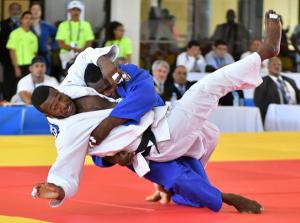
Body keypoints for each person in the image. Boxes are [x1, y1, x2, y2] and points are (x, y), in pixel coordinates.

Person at [30, 10, 281, 213]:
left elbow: (91, 59)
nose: (63, 104)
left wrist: (105, 64)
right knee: (205, 88)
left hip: (165, 120)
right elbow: (67, 166)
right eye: (56, 108)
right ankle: (264, 52)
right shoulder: (66, 134)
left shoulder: (92, 80)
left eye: (60, 98)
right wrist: (58, 187)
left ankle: (172, 191)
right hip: (163, 138)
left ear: (60, 90)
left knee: (210, 136)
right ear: (48, 115)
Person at [254, 57, 300, 121]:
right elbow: (259, 103)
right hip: (275, 117)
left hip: (294, 114)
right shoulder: (262, 82)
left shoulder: (290, 81)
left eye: (279, 64)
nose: (277, 66)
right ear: (268, 67)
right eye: (274, 64)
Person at [56, 0, 94, 69]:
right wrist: (75, 50)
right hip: (66, 55)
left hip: (82, 54)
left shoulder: (86, 25)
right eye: (73, 9)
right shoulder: (63, 25)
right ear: (69, 11)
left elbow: (89, 42)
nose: (75, 12)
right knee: (68, 75)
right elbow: (60, 44)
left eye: (78, 10)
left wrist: (80, 52)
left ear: (80, 11)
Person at [6, 11, 38, 78]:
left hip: (30, 67)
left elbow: (35, 54)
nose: (28, 20)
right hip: (18, 66)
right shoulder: (14, 33)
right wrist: (16, 67)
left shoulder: (34, 36)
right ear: (21, 20)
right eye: (26, 18)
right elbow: (12, 51)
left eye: (31, 18)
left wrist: (35, 68)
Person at [0, 2, 22, 101]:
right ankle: (7, 102)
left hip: (22, 59)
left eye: (17, 9)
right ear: (9, 11)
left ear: (20, 11)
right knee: (8, 82)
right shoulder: (3, 24)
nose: (15, 11)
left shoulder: (24, 23)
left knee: (20, 81)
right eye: (13, 9)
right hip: (7, 59)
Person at [30, 2, 57, 75]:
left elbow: (57, 36)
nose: (36, 11)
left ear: (41, 12)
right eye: (33, 9)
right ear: (30, 11)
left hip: (45, 55)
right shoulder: (27, 26)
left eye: (38, 9)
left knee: (46, 76)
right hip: (31, 55)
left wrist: (51, 46)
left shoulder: (47, 25)